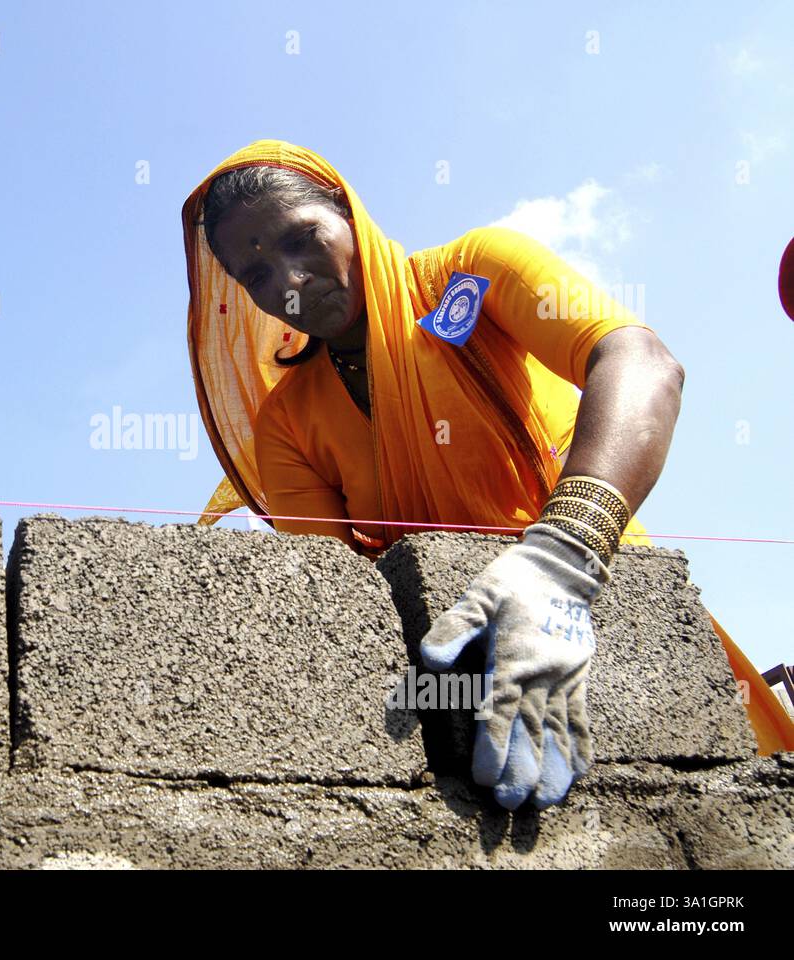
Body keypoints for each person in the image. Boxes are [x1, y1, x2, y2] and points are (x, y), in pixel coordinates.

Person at [181, 138, 794, 811]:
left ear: (347, 212)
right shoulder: (288, 425)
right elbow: (338, 603)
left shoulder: (473, 273)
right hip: (467, 689)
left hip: (613, 612)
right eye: (257, 277)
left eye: (304, 239)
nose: (291, 284)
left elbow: (639, 363)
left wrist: (561, 562)